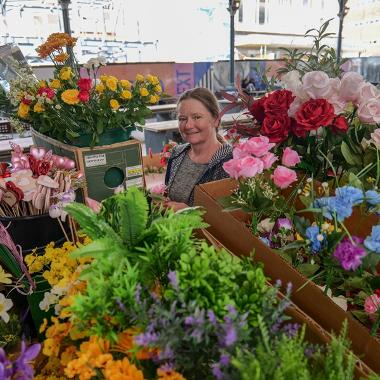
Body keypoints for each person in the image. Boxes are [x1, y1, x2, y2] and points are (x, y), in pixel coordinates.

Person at [164, 87, 233, 212]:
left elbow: (231, 217)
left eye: (197, 117)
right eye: (182, 119)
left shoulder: (231, 162)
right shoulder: (177, 154)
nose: (188, 125)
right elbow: (169, 195)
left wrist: (190, 212)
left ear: (216, 120)